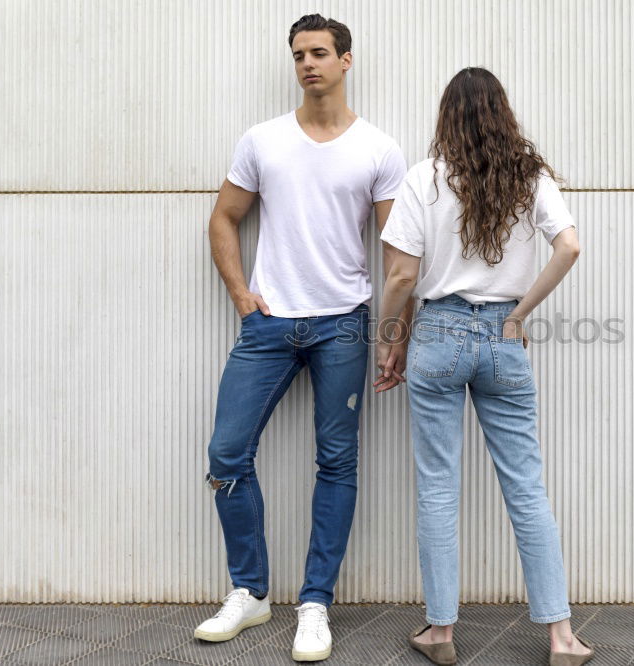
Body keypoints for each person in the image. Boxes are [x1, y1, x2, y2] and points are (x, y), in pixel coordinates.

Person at [194, 13, 411, 662]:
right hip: (269, 326)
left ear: (347, 60)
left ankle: (314, 604)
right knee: (227, 454)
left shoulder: (378, 148)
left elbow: (398, 254)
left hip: (343, 324)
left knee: (336, 463)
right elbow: (224, 220)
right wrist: (242, 296)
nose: (307, 64)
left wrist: (394, 334)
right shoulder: (262, 141)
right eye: (298, 55)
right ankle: (249, 592)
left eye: (319, 53)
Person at [375, 67, 594, 666]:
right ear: (503, 112)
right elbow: (569, 245)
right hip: (503, 336)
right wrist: (519, 315)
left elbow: (400, 276)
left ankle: (441, 633)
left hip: (439, 334)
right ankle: (562, 638)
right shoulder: (530, 177)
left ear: (446, 116)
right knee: (526, 487)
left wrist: (390, 340)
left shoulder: (424, 179)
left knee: (439, 488)